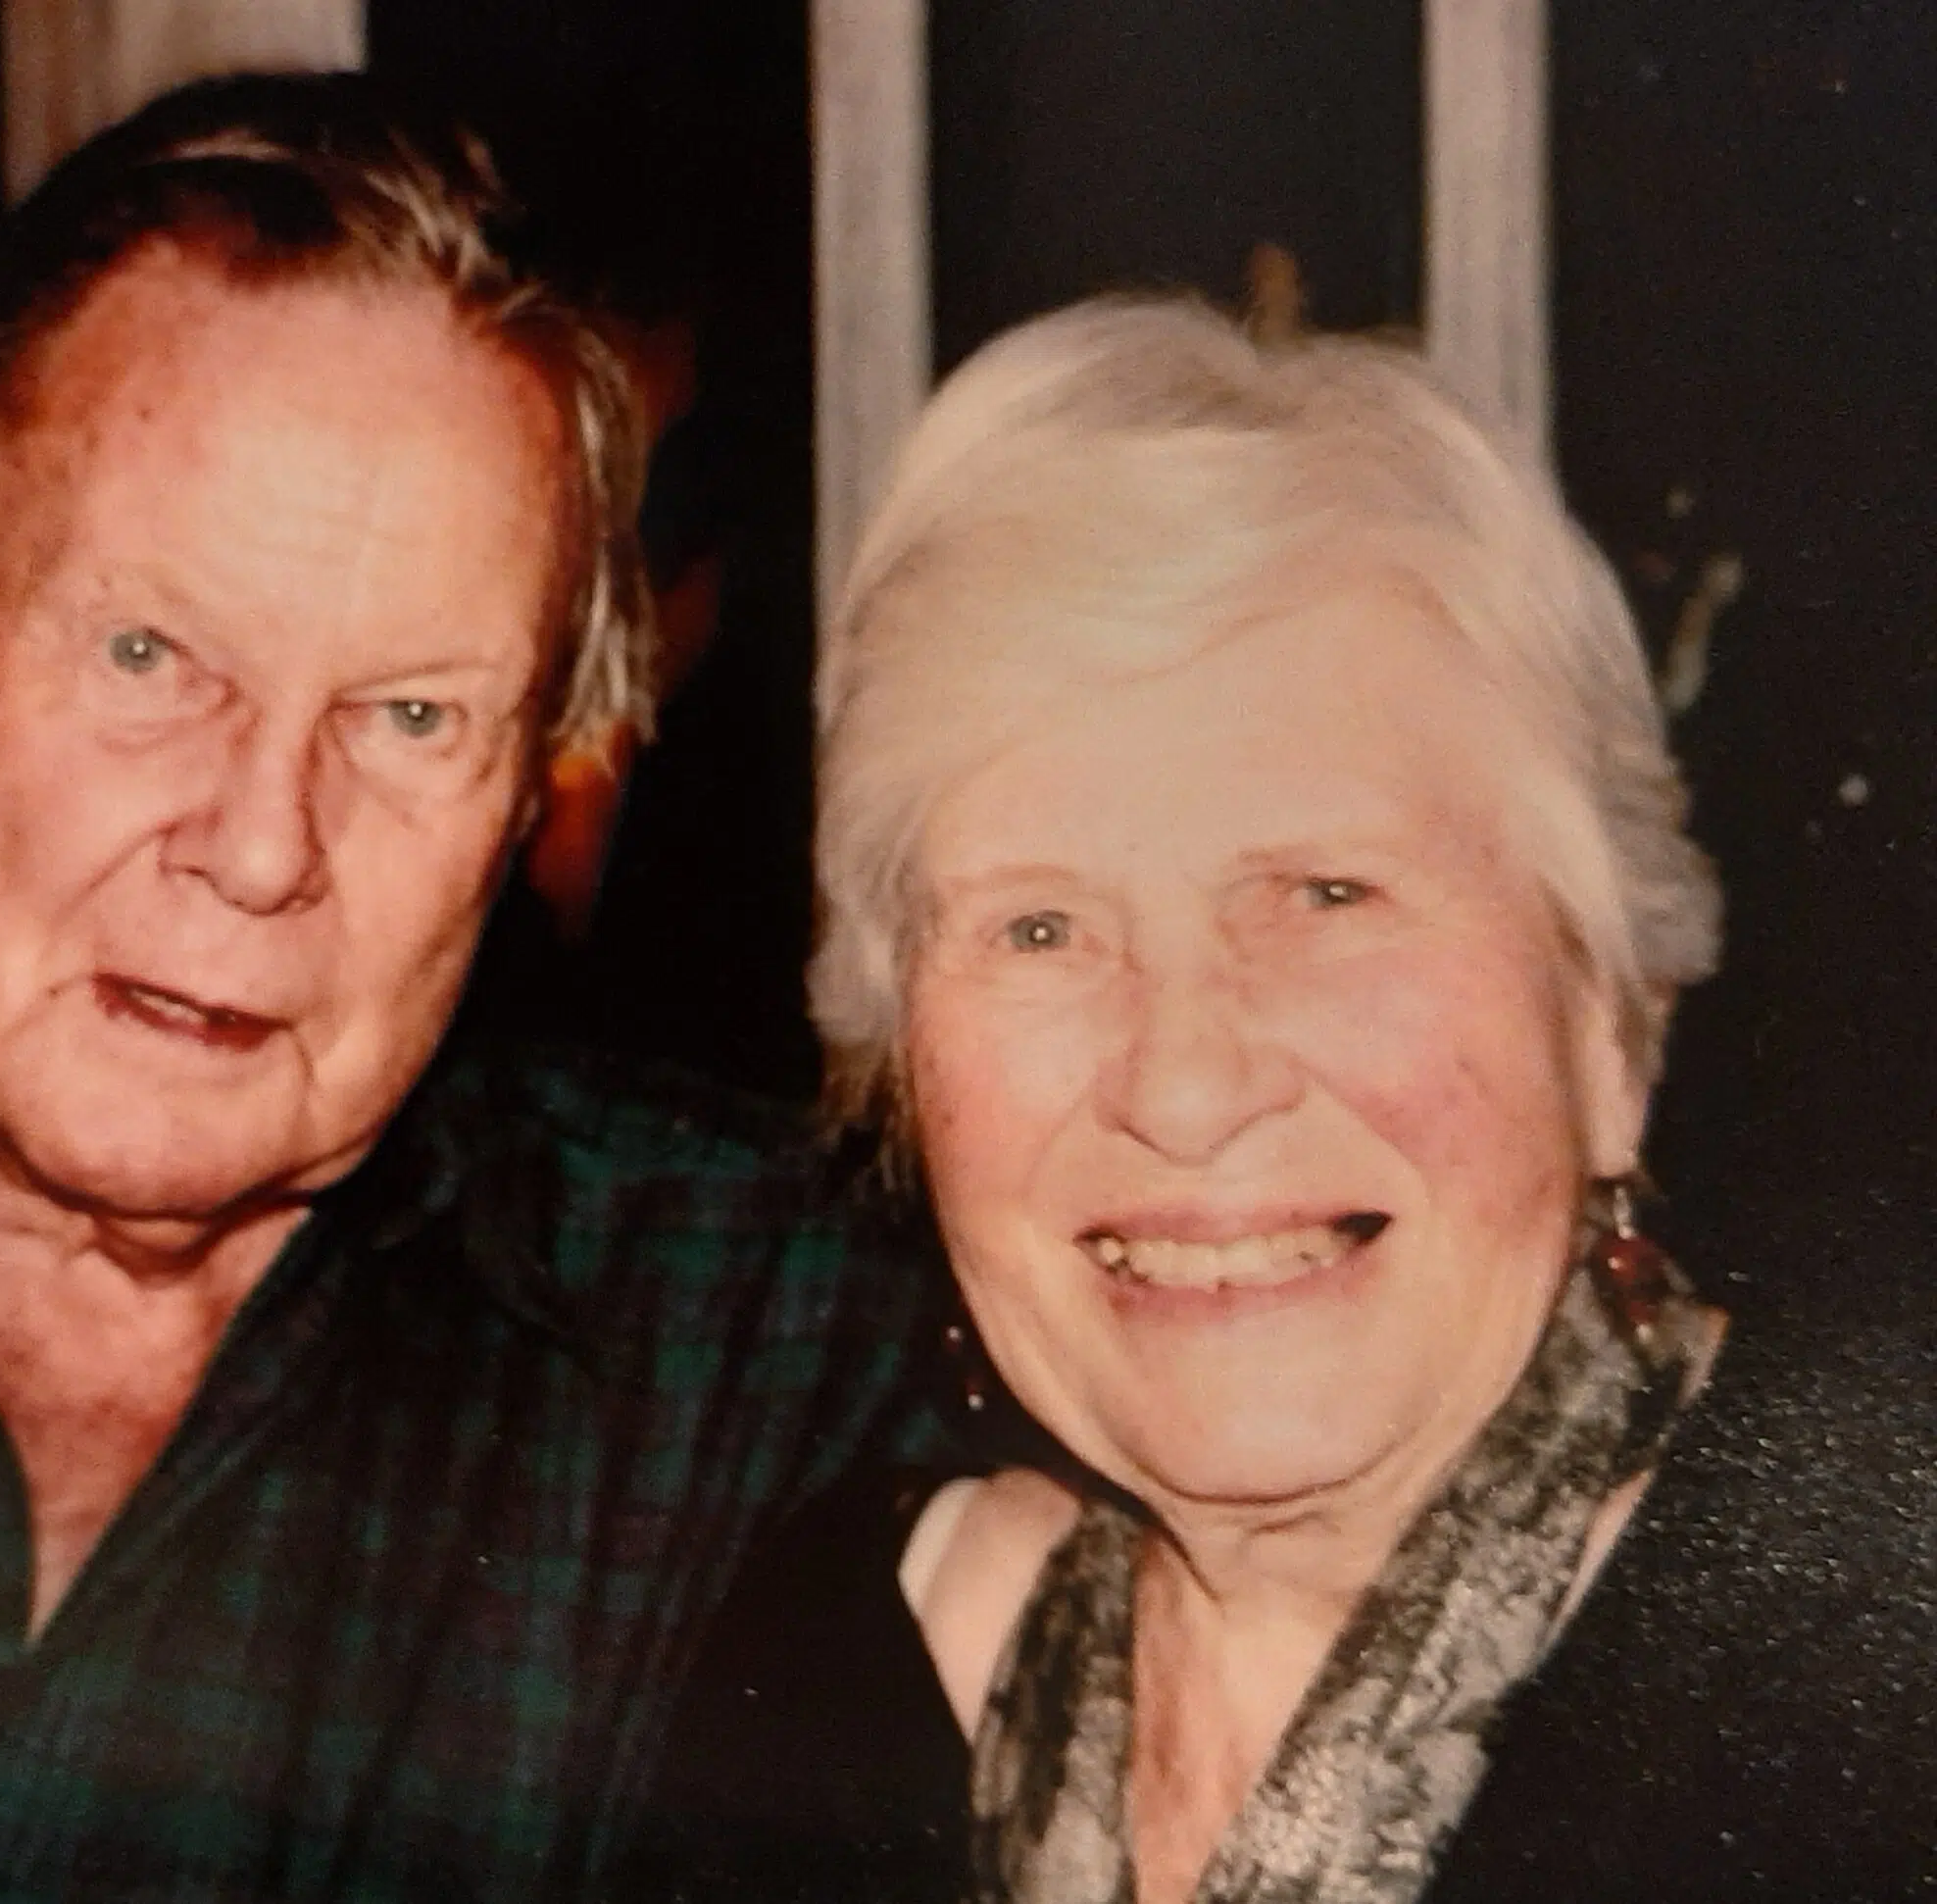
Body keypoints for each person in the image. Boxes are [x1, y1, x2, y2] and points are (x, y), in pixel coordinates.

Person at [0, 75, 940, 1902]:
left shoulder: (761, 1344)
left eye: (410, 718)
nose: (256, 842)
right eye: (149, 651)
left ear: (544, 762)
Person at [626, 298, 1937, 1901]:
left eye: (1323, 893)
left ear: (1610, 1025)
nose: (1185, 1082)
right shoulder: (832, 1673)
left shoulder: (1875, 1696)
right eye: (1042, 927)